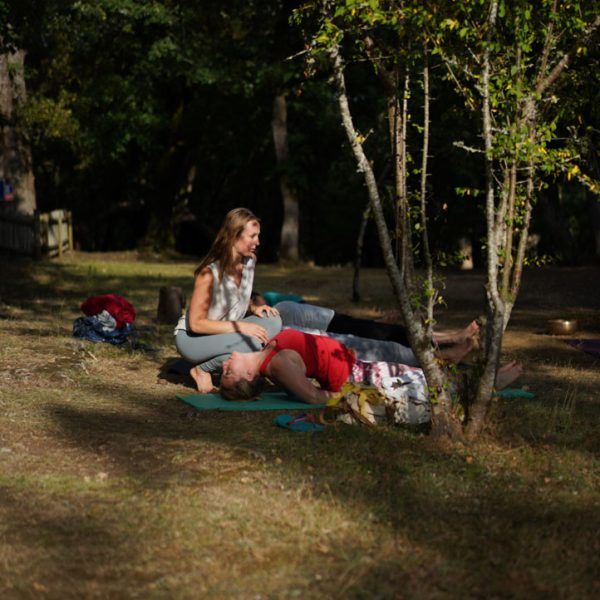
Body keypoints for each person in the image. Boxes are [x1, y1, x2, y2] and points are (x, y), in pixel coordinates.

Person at [219, 329, 524, 414]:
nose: (224, 365)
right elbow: (312, 397)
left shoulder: (271, 356)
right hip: (360, 380)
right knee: (423, 384)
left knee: (423, 376)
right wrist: (342, 394)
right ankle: (491, 383)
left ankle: (485, 379)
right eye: (226, 374)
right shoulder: (277, 365)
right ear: (247, 377)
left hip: (358, 367)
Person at [174, 208, 282, 393]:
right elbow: (196, 324)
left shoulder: (249, 262)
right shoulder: (208, 274)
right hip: (193, 339)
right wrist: (241, 327)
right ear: (233, 236)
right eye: (252, 236)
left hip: (225, 333)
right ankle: (202, 369)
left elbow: (232, 297)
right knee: (253, 342)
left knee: (273, 321)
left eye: (258, 236)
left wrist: (253, 307)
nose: (258, 242)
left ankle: (240, 363)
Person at [274, 300, 479, 365]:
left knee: (380, 331)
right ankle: (440, 356)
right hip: (275, 332)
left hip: (277, 317)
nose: (257, 241)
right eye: (252, 236)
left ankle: (449, 339)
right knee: (375, 346)